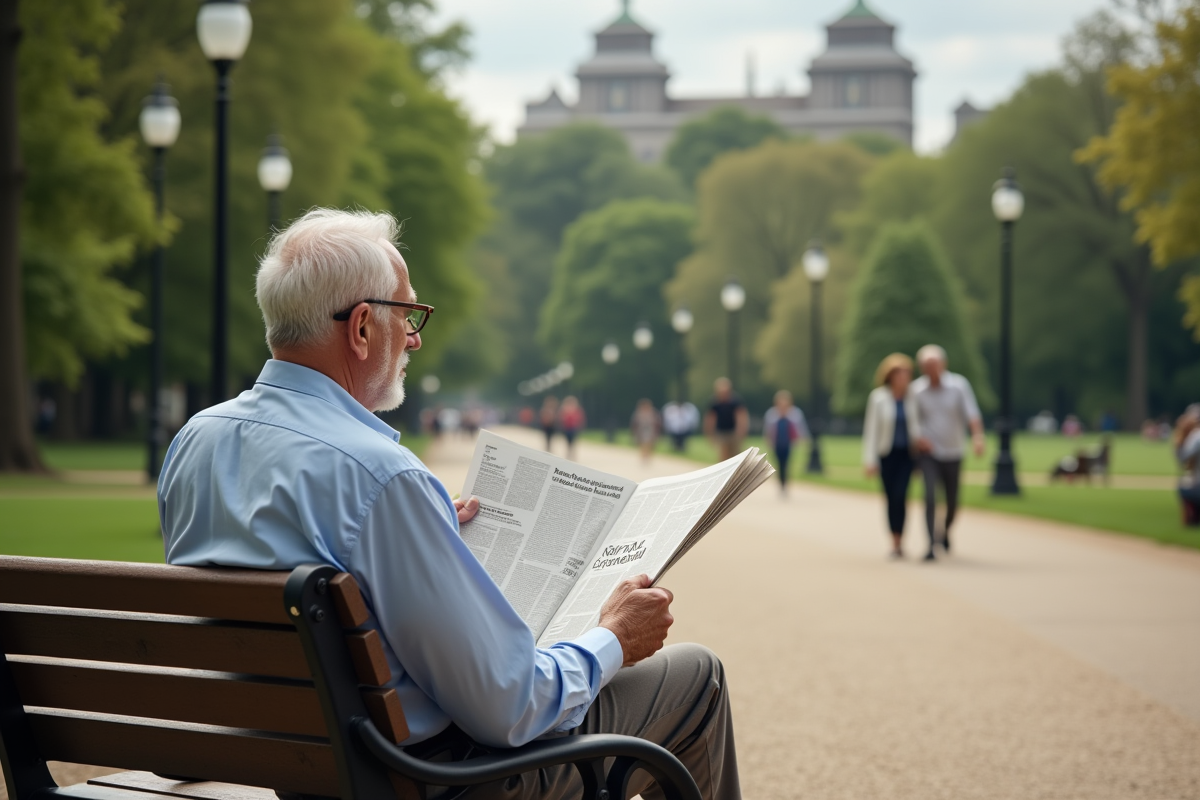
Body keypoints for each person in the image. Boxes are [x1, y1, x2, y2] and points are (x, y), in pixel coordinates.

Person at [156, 209, 740, 800]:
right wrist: (613, 636)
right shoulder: (382, 476)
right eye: (407, 314)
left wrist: (427, 533)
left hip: (293, 767)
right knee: (699, 677)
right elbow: (509, 707)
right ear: (361, 328)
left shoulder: (195, 442)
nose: (412, 336)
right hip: (430, 783)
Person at [911, 344, 985, 561]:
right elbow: (913, 420)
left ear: (943, 364)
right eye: (925, 365)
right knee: (930, 496)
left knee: (953, 500)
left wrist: (978, 437)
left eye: (933, 364)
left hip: (953, 450)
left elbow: (972, 413)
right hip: (929, 451)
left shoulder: (959, 386)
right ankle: (930, 545)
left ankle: (944, 530)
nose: (930, 369)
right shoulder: (916, 390)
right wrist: (918, 439)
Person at [862, 354, 923, 558]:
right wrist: (869, 460)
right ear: (890, 376)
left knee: (901, 495)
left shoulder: (914, 397)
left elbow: (921, 425)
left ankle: (901, 539)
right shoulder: (879, 397)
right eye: (899, 373)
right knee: (890, 498)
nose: (904, 377)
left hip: (907, 455)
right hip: (887, 455)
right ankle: (894, 541)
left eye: (907, 373)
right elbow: (871, 430)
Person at [762, 390, 809, 496]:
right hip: (777, 444)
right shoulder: (771, 414)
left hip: (789, 443)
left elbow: (800, 428)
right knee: (779, 464)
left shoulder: (795, 414)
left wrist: (803, 439)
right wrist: (768, 441)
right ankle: (781, 483)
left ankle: (785, 483)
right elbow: (768, 430)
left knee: (786, 464)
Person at [705, 378, 748, 462]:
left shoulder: (735, 401)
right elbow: (710, 419)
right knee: (724, 456)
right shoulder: (714, 403)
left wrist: (741, 431)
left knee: (736, 455)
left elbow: (741, 416)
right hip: (721, 432)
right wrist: (710, 433)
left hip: (733, 432)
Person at [1174, 404, 1200, 526]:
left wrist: (1180, 435)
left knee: (1183, 484)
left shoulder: (1196, 436)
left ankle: (1192, 518)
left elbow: (1182, 458)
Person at [630, 398, 662, 462]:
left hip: (650, 430)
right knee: (642, 443)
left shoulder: (653, 412)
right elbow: (635, 422)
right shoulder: (638, 412)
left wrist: (657, 431)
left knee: (650, 443)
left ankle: (648, 455)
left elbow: (657, 422)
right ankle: (643, 455)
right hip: (641, 430)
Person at [559, 395, 586, 460]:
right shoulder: (564, 409)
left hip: (574, 428)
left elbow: (580, 419)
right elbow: (561, 419)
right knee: (568, 442)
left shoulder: (577, 410)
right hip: (567, 428)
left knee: (573, 442)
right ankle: (569, 453)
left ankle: (572, 454)